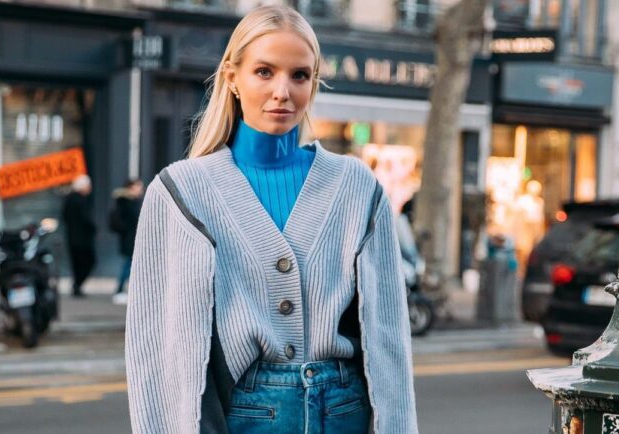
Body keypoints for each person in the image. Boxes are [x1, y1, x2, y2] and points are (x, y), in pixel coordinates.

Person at [125, 6, 418, 434]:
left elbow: (388, 335)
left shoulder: (356, 185)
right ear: (232, 77)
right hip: (248, 415)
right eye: (264, 72)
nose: (283, 91)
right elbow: (157, 344)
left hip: (345, 412)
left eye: (299, 75)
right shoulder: (180, 192)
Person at [109, 178, 143, 305]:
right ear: (130, 188)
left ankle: (123, 289)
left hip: (132, 238)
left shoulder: (133, 201)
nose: (140, 189)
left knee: (130, 264)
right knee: (129, 265)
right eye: (138, 187)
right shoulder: (126, 202)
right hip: (130, 238)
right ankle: (119, 289)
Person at [62, 175, 96, 298]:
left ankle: (77, 286)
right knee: (88, 261)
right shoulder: (81, 200)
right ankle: (77, 285)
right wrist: (92, 229)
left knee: (76, 264)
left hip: (72, 238)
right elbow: (85, 219)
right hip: (82, 239)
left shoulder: (69, 199)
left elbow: (65, 217)